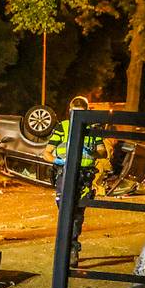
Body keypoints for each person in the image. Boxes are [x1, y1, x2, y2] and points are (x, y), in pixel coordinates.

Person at [43, 96, 105, 267]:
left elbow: (103, 152)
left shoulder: (92, 130)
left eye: (81, 113)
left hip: (84, 176)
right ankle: (65, 247)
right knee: (65, 211)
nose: (77, 116)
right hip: (65, 174)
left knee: (77, 214)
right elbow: (46, 153)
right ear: (70, 112)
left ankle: (71, 249)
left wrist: (91, 152)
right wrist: (58, 161)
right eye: (75, 113)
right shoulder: (63, 127)